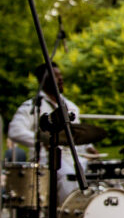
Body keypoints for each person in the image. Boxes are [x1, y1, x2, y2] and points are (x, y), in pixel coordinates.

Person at [8, 62, 90, 203]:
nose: (60, 78)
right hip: (46, 159)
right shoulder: (33, 106)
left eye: (60, 75)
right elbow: (15, 130)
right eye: (55, 76)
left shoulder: (71, 107)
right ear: (42, 81)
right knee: (68, 177)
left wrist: (88, 147)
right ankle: (69, 215)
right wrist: (42, 139)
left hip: (73, 158)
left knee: (104, 173)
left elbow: (76, 135)